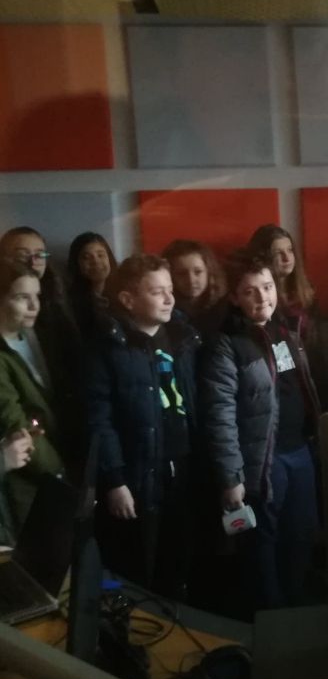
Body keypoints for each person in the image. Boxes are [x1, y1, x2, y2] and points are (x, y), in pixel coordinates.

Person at [199, 253, 321, 612]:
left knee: (301, 534)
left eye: (267, 287)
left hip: (300, 450)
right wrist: (231, 476)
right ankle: (272, 615)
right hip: (262, 461)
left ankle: (296, 606)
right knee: (263, 542)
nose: (262, 297)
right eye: (250, 291)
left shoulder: (285, 331)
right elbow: (219, 415)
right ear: (235, 298)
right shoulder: (227, 344)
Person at [86, 254, 201, 598]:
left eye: (170, 290)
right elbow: (99, 419)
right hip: (137, 471)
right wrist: (115, 480)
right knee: (135, 564)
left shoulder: (182, 338)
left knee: (178, 556)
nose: (169, 298)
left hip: (182, 464)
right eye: (156, 292)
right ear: (128, 299)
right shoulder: (109, 347)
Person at [0, 260, 65, 532]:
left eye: (36, 296)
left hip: (49, 466)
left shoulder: (31, 336)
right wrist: (59, 472)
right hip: (27, 483)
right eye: (21, 297)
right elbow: (16, 423)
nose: (33, 306)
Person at [246, 225, 316, 344]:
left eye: (290, 250)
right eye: (278, 253)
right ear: (263, 257)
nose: (287, 258)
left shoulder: (307, 291)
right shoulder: (259, 298)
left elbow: (314, 342)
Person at [162, 239, 227, 335]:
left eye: (198, 272)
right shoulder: (165, 311)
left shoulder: (224, 308)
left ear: (209, 272)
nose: (191, 280)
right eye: (182, 274)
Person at [67, 232, 117, 336]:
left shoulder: (125, 293)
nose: (95, 261)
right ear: (77, 264)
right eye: (86, 257)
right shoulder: (69, 301)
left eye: (100, 255)